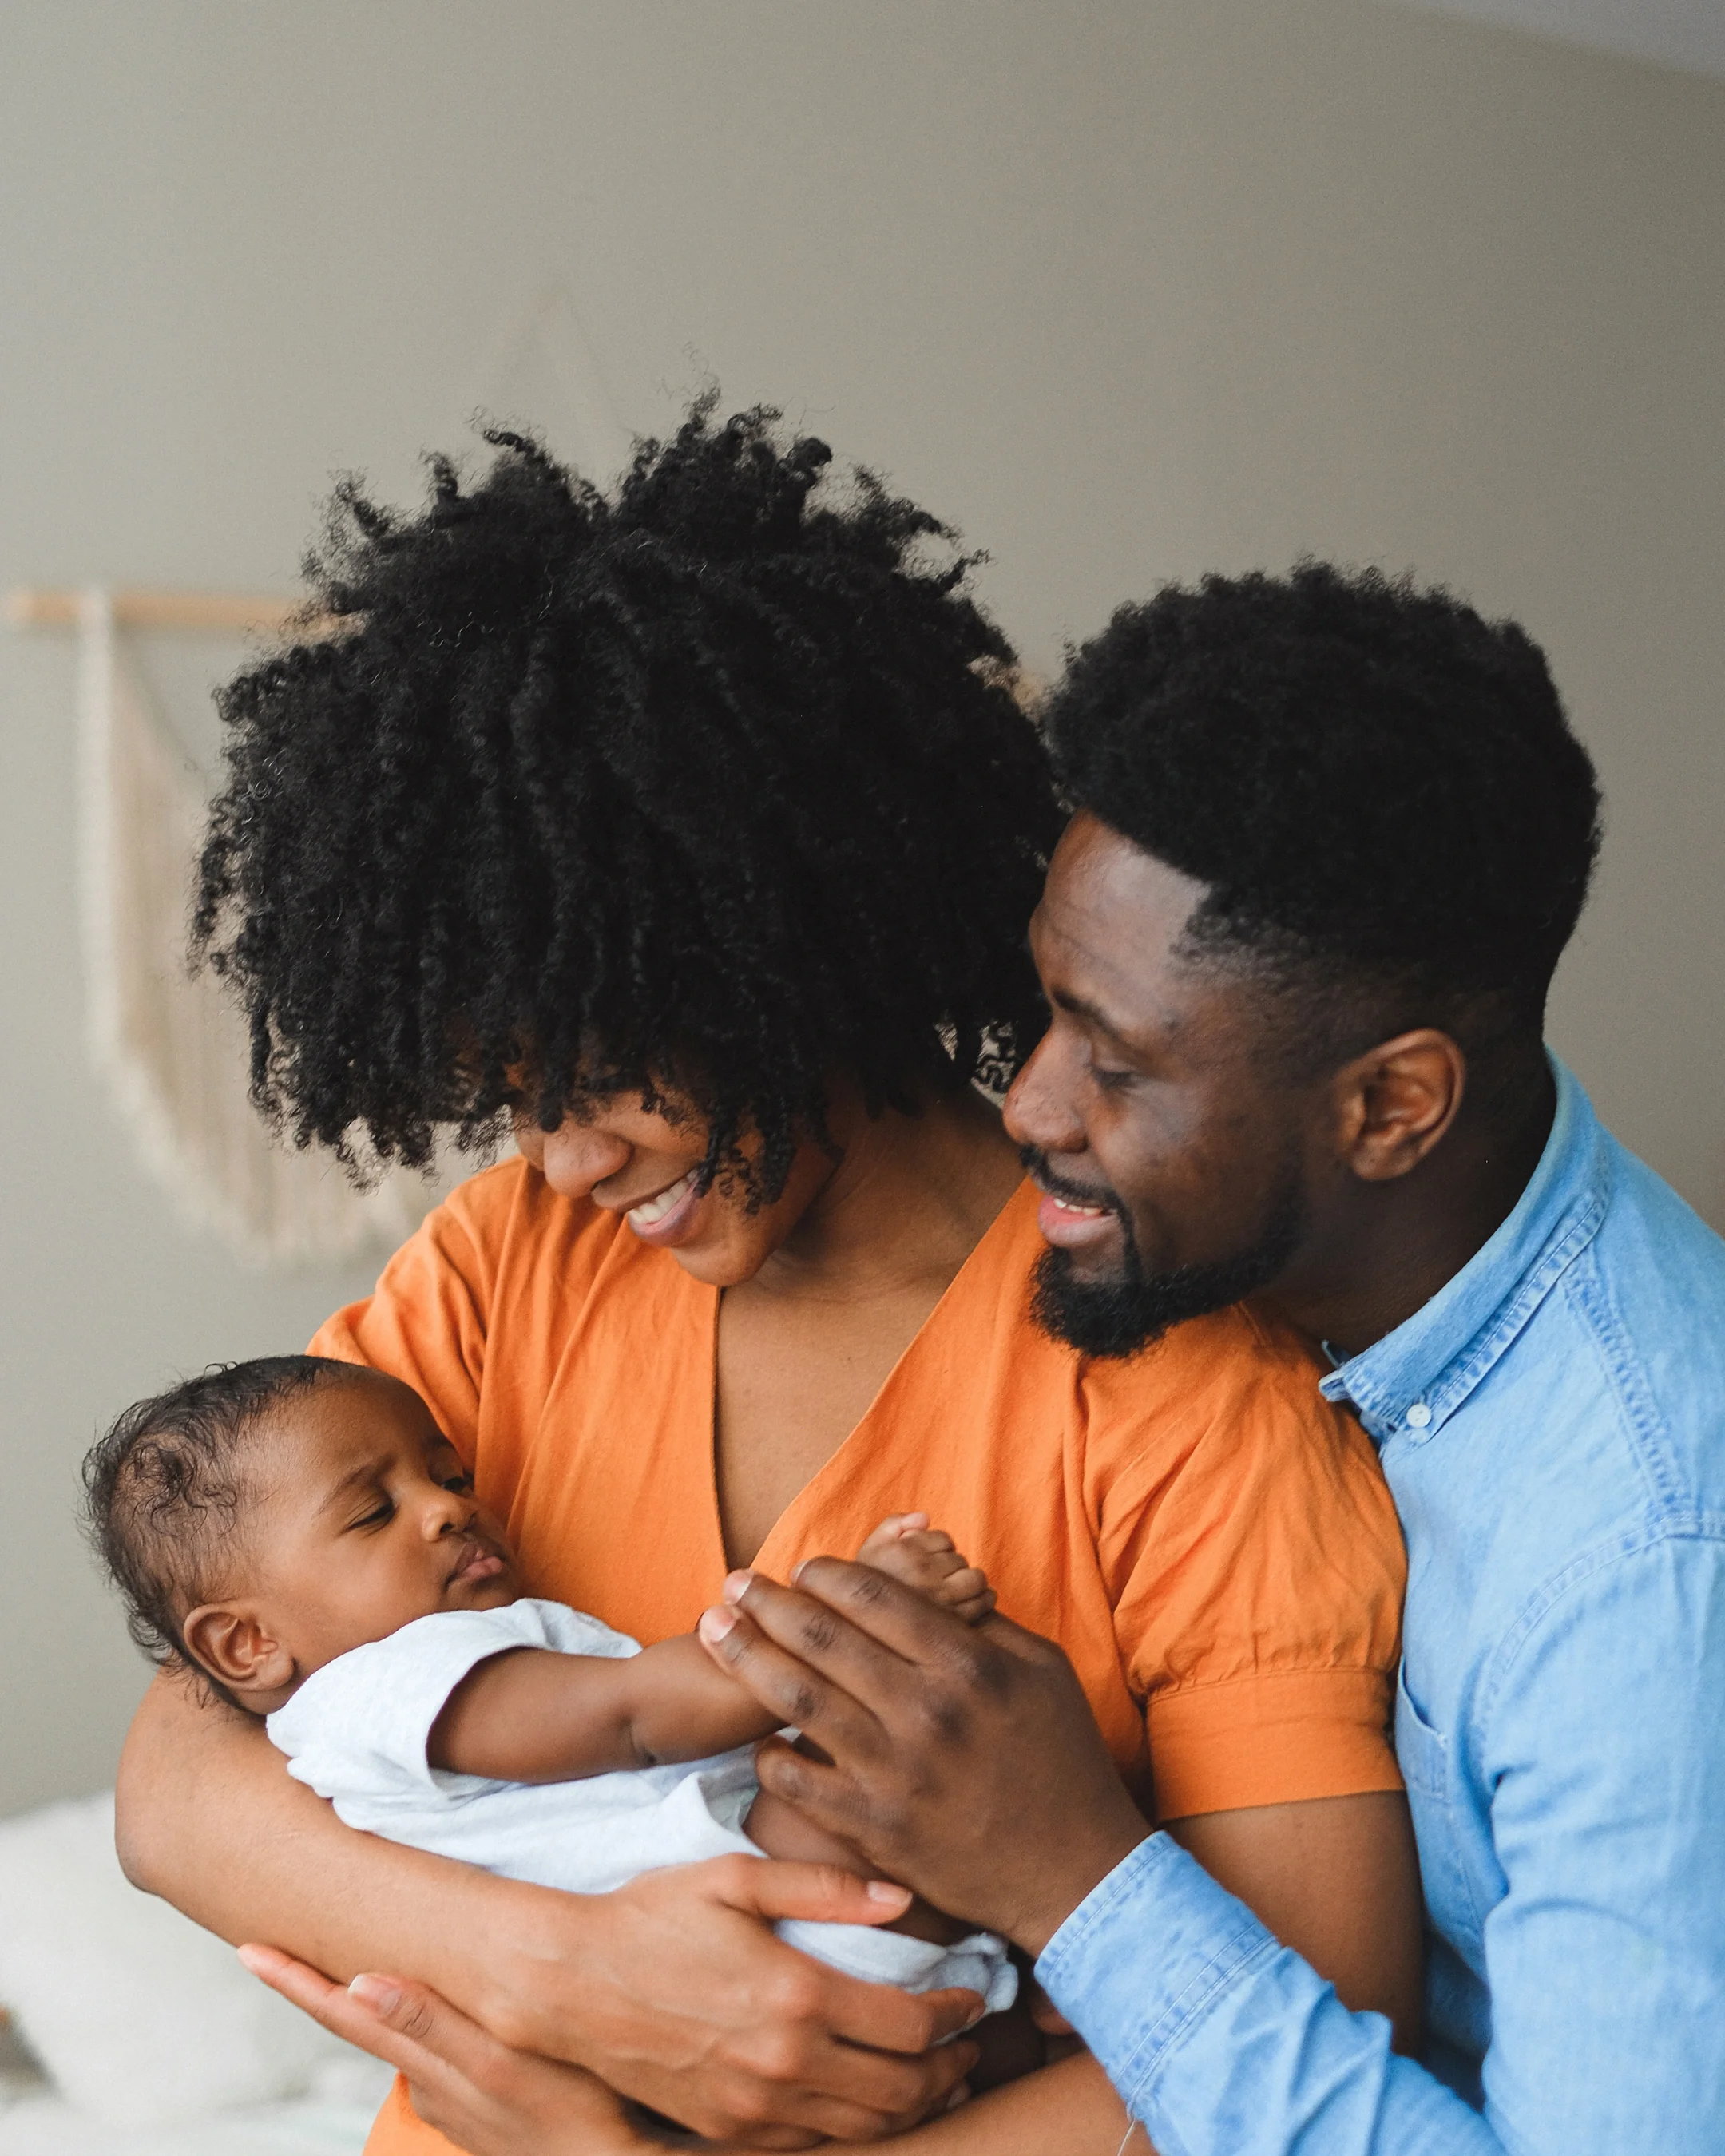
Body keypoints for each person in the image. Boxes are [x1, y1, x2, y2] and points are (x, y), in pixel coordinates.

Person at [115, 415, 1418, 2156]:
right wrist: (562, 1975)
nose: (562, 1158)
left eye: (600, 1071)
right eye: (512, 1096)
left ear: (788, 945)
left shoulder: (1185, 1398)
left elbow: (1321, 2036)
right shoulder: (517, 1265)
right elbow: (180, 1781)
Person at [691, 566, 1725, 2154]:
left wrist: (1075, 1875)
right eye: (1048, 1013)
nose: (1031, 1106)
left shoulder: (1644, 1571)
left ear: (1393, 1108)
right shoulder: (1296, 1275)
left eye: (1117, 1064)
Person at [84, 1357, 1018, 2039]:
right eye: (374, 1513)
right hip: (756, 1936)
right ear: (247, 1643)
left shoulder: (421, 1666)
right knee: (865, 1763)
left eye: (449, 1477)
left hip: (760, 1958)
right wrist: (850, 1618)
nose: (449, 1507)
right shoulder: (383, 1687)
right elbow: (631, 1716)